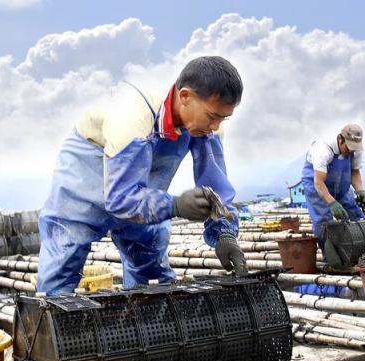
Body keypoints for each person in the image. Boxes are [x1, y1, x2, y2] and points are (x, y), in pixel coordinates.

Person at [37, 56, 248, 295]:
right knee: (63, 259)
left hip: (141, 188)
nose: (216, 125)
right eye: (213, 116)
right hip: (89, 167)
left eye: (223, 118)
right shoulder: (133, 115)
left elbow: (216, 187)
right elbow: (120, 199)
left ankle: (146, 324)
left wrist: (225, 234)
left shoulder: (209, 126)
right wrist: (176, 205)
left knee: (151, 269)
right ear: (185, 96)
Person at [301, 124, 365, 247]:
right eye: (348, 148)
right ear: (340, 139)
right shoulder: (323, 150)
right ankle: (331, 260)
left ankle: (361, 248)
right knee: (325, 222)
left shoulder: (356, 149)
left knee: (354, 213)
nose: (351, 151)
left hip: (341, 183)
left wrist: (360, 192)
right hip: (316, 184)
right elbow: (319, 182)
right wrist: (332, 203)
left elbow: (355, 172)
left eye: (353, 149)